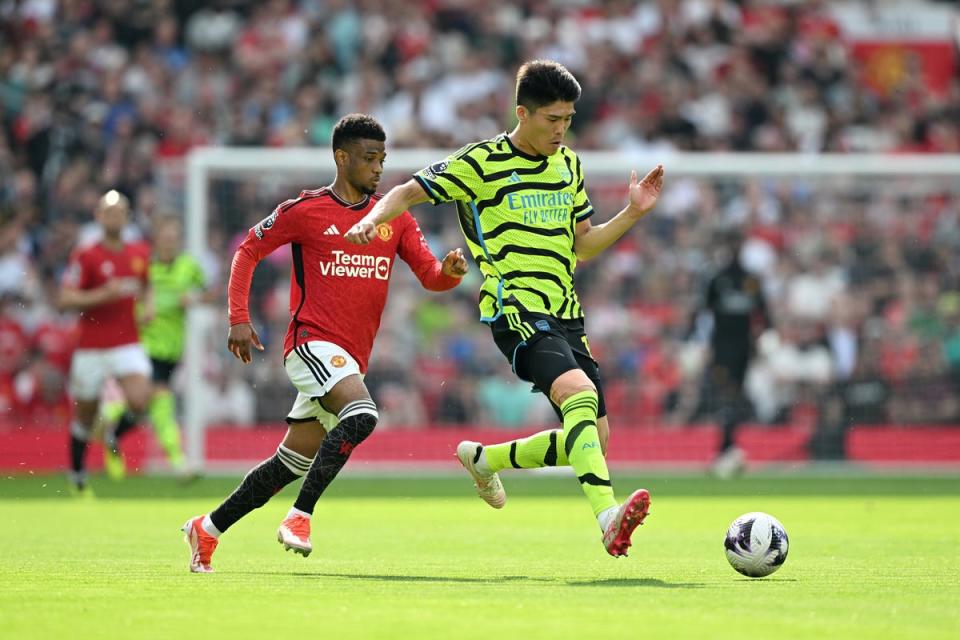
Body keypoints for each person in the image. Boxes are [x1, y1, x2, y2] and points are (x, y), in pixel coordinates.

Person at [345, 60, 664, 557]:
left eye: (569, 119)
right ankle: (607, 516)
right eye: (552, 119)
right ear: (523, 112)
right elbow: (409, 190)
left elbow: (585, 245)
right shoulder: (483, 161)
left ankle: (484, 459)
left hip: (566, 313)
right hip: (513, 306)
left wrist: (633, 212)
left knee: (593, 440)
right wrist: (372, 219)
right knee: (578, 395)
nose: (562, 129)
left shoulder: (570, 165)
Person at [181, 114, 468, 573]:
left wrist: (450, 273)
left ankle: (207, 528)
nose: (378, 168)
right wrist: (237, 317)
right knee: (363, 414)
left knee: (290, 461)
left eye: (383, 159)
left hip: (350, 360)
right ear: (342, 157)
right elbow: (247, 250)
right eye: (370, 158)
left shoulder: (394, 218)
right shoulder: (307, 210)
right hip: (310, 344)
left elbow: (430, 276)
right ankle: (300, 516)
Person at [59, 190, 152, 497]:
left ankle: (113, 434)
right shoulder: (86, 255)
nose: (115, 217)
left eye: (121, 211)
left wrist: (148, 305)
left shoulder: (139, 252)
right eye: (109, 211)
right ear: (99, 216)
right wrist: (102, 295)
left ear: (127, 217)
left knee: (141, 400)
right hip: (91, 346)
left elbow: (146, 284)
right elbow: (65, 298)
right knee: (85, 415)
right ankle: (77, 474)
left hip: (128, 342)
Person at [101, 214, 209, 478]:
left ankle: (111, 430)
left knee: (147, 404)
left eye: (174, 238)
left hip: (171, 350)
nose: (170, 243)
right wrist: (139, 314)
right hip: (142, 346)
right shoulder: (143, 265)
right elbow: (122, 297)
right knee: (160, 399)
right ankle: (177, 462)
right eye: (166, 237)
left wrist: (193, 298)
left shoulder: (189, 267)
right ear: (157, 239)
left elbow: (209, 292)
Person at [696, 231, 770, 478]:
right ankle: (727, 449)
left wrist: (759, 341)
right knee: (727, 397)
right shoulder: (718, 279)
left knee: (734, 397)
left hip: (743, 349)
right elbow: (704, 312)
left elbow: (765, 314)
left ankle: (726, 449)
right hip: (722, 349)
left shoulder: (751, 280)